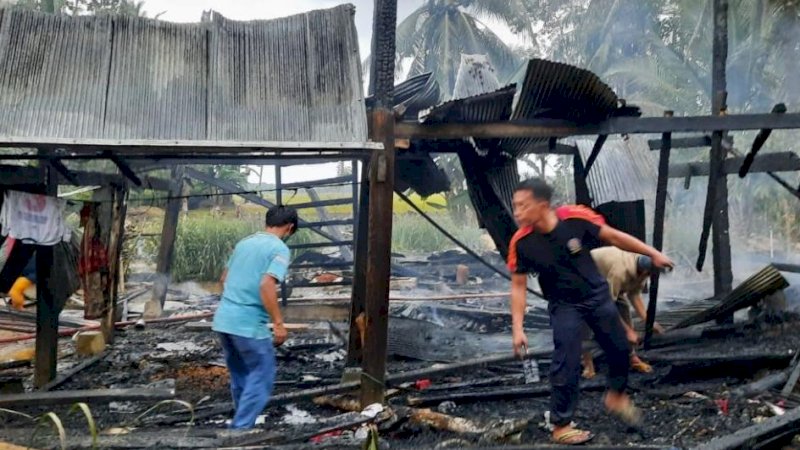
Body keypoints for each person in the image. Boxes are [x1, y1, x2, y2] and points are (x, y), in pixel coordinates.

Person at [508, 179, 673, 445]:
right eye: (515, 206)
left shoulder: (574, 218)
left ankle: (616, 396)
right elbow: (518, 287)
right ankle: (561, 424)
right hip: (564, 305)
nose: (516, 212)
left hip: (596, 295)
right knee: (567, 358)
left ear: (543, 205)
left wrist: (651, 253)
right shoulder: (521, 242)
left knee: (621, 347)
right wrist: (518, 328)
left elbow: (615, 237)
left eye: (523, 206)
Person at [212, 206, 298, 430]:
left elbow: (223, 279)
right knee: (262, 374)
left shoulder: (244, 243)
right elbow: (266, 284)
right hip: (247, 325)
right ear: (289, 227)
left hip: (223, 321)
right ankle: (240, 430)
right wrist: (278, 323)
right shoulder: (279, 248)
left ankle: (241, 423)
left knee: (240, 374)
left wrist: (234, 302)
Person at [582, 247, 667, 379]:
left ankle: (632, 357)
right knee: (586, 317)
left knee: (623, 308)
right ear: (645, 271)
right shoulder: (620, 272)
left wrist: (648, 321)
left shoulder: (642, 270)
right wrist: (627, 331)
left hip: (604, 284)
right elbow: (608, 305)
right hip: (584, 280)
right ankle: (587, 363)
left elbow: (634, 295)